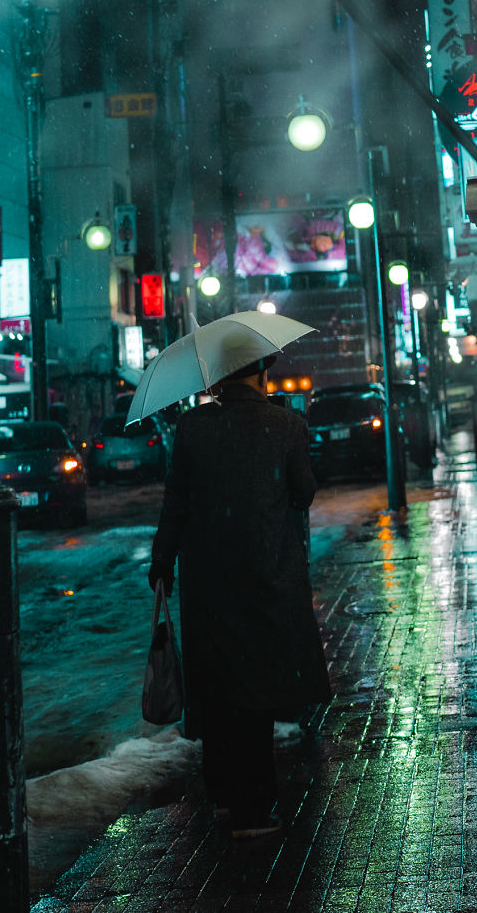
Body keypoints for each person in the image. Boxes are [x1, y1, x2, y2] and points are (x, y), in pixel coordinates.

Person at [149, 353, 331, 838]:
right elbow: (304, 490)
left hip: (209, 577)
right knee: (255, 687)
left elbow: (176, 503)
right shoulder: (284, 424)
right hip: (265, 571)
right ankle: (254, 808)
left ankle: (224, 794)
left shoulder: (191, 428)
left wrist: (162, 562)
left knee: (218, 683)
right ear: (258, 373)